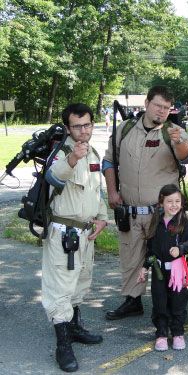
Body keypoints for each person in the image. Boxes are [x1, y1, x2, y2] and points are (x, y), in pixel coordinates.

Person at [102, 86, 188, 320]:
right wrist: (112, 192)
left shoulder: (174, 131)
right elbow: (109, 162)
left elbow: (187, 157)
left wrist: (178, 142)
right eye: (158, 105)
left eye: (166, 108)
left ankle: (168, 306)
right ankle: (132, 301)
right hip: (130, 211)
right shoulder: (125, 129)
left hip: (161, 215)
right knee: (131, 257)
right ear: (146, 103)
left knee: (165, 259)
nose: (162, 111)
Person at [42, 103, 108, 372]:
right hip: (64, 234)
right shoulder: (63, 150)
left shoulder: (92, 151)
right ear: (68, 128)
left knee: (81, 282)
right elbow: (53, 177)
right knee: (61, 290)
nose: (83, 130)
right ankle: (63, 345)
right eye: (77, 126)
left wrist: (102, 217)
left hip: (85, 233)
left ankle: (75, 328)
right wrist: (71, 160)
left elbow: (95, 189)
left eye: (87, 124)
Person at [136, 184, 188, 352]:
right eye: (169, 201)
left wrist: (180, 249)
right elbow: (151, 250)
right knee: (160, 301)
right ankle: (161, 333)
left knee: (178, 301)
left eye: (177, 201)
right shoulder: (156, 224)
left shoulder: (185, 224)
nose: (174, 205)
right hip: (160, 272)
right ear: (161, 203)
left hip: (177, 271)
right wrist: (145, 267)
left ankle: (177, 333)